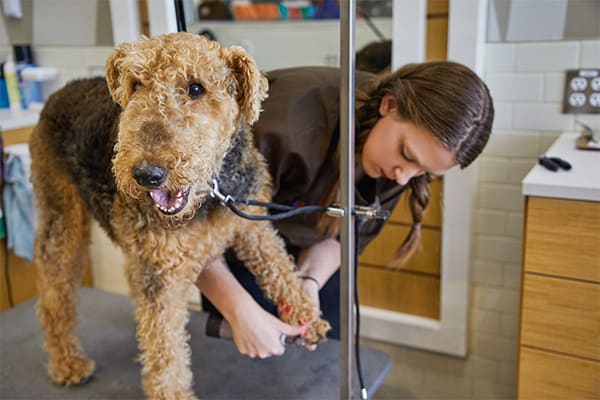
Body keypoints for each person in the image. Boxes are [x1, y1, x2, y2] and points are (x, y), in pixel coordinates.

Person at [196, 61, 494, 359]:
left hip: (308, 245)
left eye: (423, 172)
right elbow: (188, 234)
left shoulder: (397, 165)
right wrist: (238, 310)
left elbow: (343, 235)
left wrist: (307, 286)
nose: (404, 178)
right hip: (223, 249)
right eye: (406, 155)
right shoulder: (286, 123)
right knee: (249, 364)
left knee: (323, 356)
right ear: (389, 105)